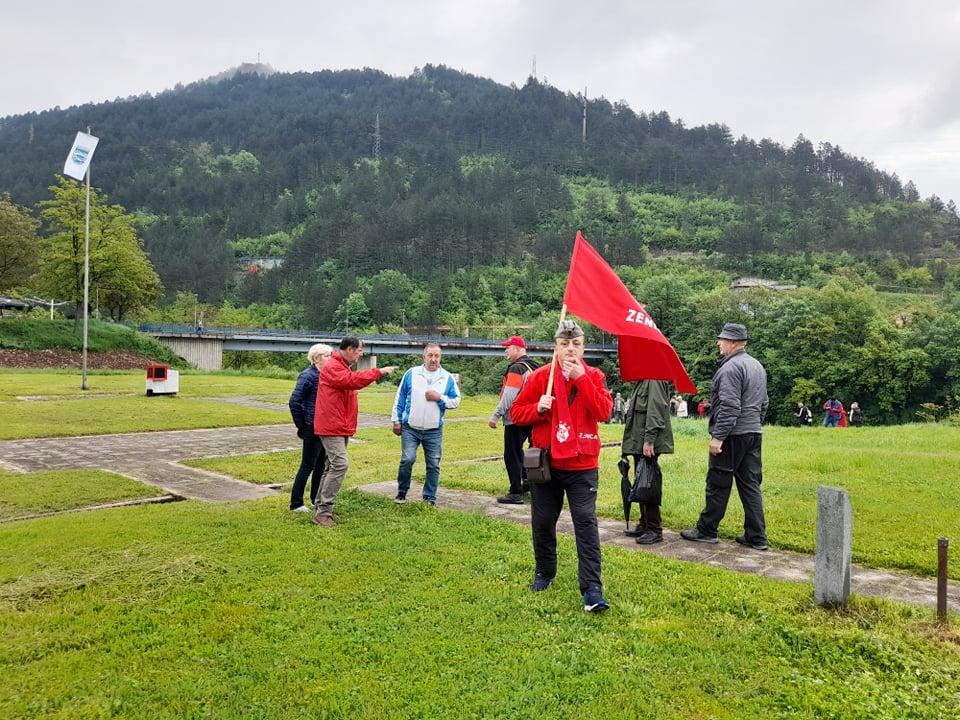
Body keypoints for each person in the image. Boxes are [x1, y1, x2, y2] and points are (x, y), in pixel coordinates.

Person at [510, 320, 613, 612]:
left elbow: (604, 411)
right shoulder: (541, 376)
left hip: (582, 465)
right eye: (565, 344)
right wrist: (537, 408)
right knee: (542, 522)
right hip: (546, 463)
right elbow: (516, 413)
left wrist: (582, 379)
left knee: (585, 521)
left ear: (583, 346)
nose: (570, 349)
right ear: (555, 346)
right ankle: (545, 571)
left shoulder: (594, 375)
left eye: (576, 344)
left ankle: (592, 588)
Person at [681, 323, 769, 550]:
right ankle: (756, 536)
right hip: (753, 433)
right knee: (750, 484)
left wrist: (718, 437)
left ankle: (707, 530)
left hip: (732, 435)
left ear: (732, 342)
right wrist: (754, 424)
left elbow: (730, 406)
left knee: (718, 482)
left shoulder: (730, 368)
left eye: (721, 339)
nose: (718, 343)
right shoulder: (757, 365)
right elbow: (764, 403)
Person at [312, 337, 397, 528]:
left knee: (331, 466)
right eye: (359, 351)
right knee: (340, 465)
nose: (361, 354)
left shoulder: (341, 365)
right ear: (349, 349)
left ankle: (320, 508)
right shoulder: (334, 366)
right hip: (331, 425)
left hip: (338, 425)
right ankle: (323, 512)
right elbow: (352, 381)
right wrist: (378, 372)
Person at [392, 343, 461, 506]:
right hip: (410, 427)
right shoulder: (412, 373)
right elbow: (399, 397)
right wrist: (396, 420)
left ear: (440, 358)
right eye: (430, 355)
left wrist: (439, 398)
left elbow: (456, 401)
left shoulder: (447, 377)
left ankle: (429, 497)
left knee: (433, 464)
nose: (433, 359)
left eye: (437, 356)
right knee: (407, 459)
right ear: (424, 356)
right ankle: (402, 491)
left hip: (434, 429)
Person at [620, 379, 674, 544]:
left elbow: (656, 411)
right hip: (640, 441)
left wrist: (649, 440)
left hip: (647, 442)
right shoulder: (642, 381)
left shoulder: (654, 380)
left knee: (647, 482)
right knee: (641, 481)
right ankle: (645, 523)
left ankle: (654, 528)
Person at [489, 336, 539, 505]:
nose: (505, 351)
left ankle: (515, 492)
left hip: (515, 417)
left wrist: (496, 415)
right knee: (532, 452)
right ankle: (529, 484)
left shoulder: (516, 368)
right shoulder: (535, 366)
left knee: (512, 454)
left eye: (508, 347)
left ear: (517, 348)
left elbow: (509, 395)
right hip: (533, 416)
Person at [287, 343, 332, 513]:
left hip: (323, 427)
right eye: (327, 355)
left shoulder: (324, 375)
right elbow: (294, 402)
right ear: (316, 358)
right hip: (311, 427)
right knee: (307, 465)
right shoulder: (308, 376)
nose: (330, 358)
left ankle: (315, 499)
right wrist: (302, 425)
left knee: (320, 465)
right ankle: (296, 503)